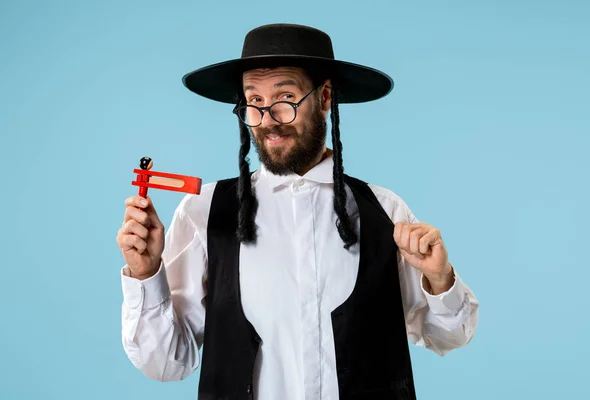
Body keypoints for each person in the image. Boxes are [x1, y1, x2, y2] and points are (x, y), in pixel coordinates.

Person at [116, 23, 479, 400]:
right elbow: (167, 363)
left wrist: (440, 279)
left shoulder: (384, 211)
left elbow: (448, 337)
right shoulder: (205, 212)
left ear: (324, 98)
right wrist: (145, 275)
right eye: (254, 101)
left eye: (285, 96)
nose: (269, 117)